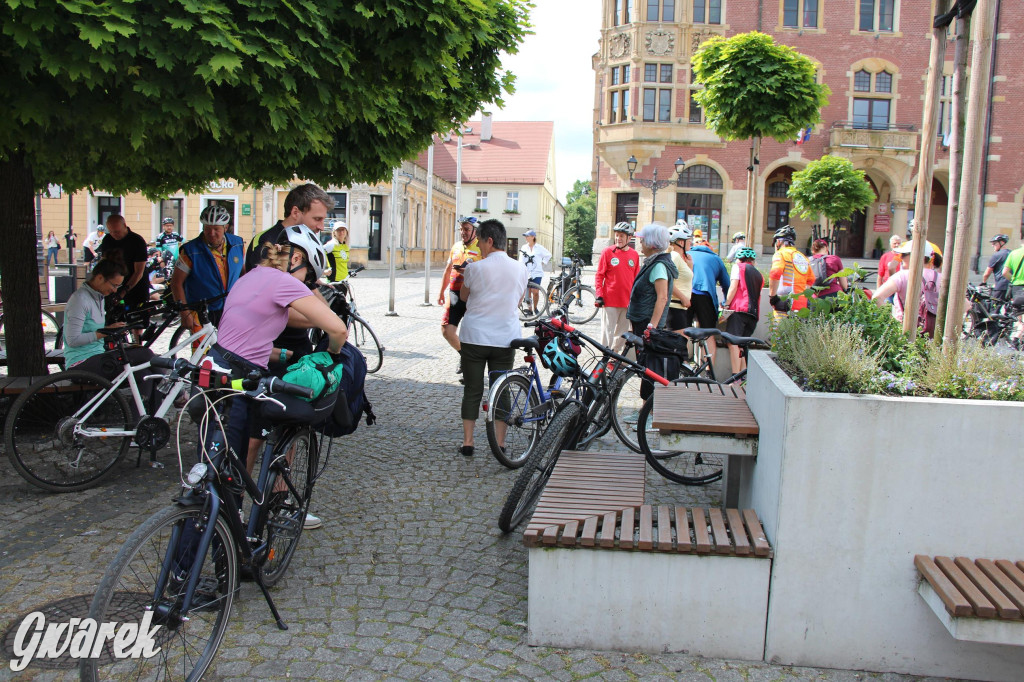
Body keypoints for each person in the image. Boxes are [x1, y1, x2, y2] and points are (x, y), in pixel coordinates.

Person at [212, 224, 346, 530]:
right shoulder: (284, 281)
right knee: (236, 460)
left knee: (224, 459)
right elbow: (337, 329)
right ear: (296, 257)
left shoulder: (253, 276)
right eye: (309, 276)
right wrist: (333, 355)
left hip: (217, 365)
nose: (308, 285)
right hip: (241, 376)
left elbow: (242, 335)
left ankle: (227, 523)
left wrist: (279, 355)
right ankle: (229, 539)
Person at [456, 219, 527, 457]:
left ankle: (468, 442)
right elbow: (518, 300)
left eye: (480, 243)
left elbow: (464, 297)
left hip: (475, 337)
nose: (480, 248)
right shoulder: (520, 268)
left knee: (473, 389)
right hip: (505, 339)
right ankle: (500, 443)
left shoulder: (475, 268)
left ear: (489, 240)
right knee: (503, 389)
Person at [245, 183, 334, 367]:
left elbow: (308, 285)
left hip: (299, 341)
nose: (321, 226)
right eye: (317, 219)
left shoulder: (301, 241)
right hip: (273, 347)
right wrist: (322, 320)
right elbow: (266, 305)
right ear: (296, 212)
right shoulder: (268, 243)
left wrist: (328, 315)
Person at [61, 257, 156, 390]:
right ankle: (176, 392)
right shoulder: (80, 300)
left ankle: (143, 411)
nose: (115, 290)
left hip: (97, 357)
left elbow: (90, 329)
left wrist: (109, 329)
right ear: (100, 278)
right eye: (114, 285)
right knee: (145, 354)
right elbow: (73, 340)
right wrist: (104, 333)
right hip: (80, 365)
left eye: (118, 286)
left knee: (145, 375)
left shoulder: (98, 297)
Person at [170, 204, 245, 330]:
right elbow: (176, 283)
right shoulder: (190, 251)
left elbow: (243, 274)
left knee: (230, 349)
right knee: (202, 349)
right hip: (199, 311)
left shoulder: (238, 244)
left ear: (225, 227)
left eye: (216, 229)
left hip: (230, 309)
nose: (211, 233)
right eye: (207, 228)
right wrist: (184, 312)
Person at [437, 216, 481, 371]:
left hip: (473, 295)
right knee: (446, 331)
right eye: (461, 229)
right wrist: (442, 291)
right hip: (454, 293)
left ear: (475, 231)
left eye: (467, 229)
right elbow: (448, 270)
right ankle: (464, 355)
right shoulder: (456, 246)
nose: (463, 232)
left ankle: (471, 365)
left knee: (471, 334)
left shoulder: (481, 247)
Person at [871, 240, 941, 336]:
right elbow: (965, 304)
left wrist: (892, 323)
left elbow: (877, 298)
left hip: (905, 332)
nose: (900, 258)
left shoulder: (902, 276)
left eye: (903, 255)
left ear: (915, 256)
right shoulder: (941, 278)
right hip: (935, 334)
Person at [595, 222, 640, 353]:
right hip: (610, 300)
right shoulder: (607, 252)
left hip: (627, 301)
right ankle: (604, 357)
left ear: (629, 238)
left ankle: (614, 357)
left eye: (621, 236)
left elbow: (636, 279)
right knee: (607, 331)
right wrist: (599, 294)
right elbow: (599, 275)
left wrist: (636, 299)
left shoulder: (634, 255)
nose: (618, 238)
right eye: (616, 235)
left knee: (622, 333)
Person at [626, 223, 678, 336]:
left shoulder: (658, 265)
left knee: (646, 353)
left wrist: (651, 327)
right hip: (642, 321)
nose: (640, 242)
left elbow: (662, 297)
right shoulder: (652, 262)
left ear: (652, 245)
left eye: (643, 240)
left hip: (646, 323)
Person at [688, 229, 730, 367]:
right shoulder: (716, 259)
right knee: (709, 332)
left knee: (683, 329)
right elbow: (727, 284)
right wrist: (724, 304)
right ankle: (708, 369)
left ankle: (681, 364)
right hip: (705, 295)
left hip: (686, 294)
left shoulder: (688, 254)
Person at [98, 214, 149, 323]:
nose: (113, 234)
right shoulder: (108, 239)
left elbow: (138, 272)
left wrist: (124, 291)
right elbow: (105, 264)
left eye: (116, 231)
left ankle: (137, 339)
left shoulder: (137, 241)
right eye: (111, 231)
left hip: (136, 286)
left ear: (125, 226)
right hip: (114, 286)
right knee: (113, 320)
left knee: (136, 323)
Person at [723, 247, 763, 375]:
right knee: (742, 346)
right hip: (754, 314)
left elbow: (734, 286)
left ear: (739, 259)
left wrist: (726, 305)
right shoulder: (758, 274)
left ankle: (735, 376)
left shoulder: (738, 267)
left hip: (739, 310)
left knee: (732, 342)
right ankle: (743, 376)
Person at [768, 225, 813, 319]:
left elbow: (775, 273)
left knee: (780, 332)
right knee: (796, 332)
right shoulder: (803, 257)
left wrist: (773, 297)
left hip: (784, 302)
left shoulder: (781, 254)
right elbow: (811, 280)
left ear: (779, 241)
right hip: (802, 304)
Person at [666, 223, 694, 341]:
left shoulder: (680, 258)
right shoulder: (674, 256)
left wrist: (689, 266)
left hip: (679, 307)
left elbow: (684, 280)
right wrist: (683, 297)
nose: (691, 243)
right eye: (689, 241)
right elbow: (667, 282)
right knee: (677, 346)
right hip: (675, 307)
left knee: (680, 345)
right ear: (681, 242)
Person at [520, 229, 551, 313]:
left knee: (535, 292)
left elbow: (548, 255)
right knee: (527, 293)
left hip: (537, 272)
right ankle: (529, 309)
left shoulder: (539, 248)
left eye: (527, 236)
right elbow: (521, 260)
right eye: (525, 236)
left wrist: (543, 263)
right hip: (526, 272)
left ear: (533, 237)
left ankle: (535, 307)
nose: (526, 238)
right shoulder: (524, 247)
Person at [981, 234, 1010, 301]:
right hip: (1012, 286)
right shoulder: (1012, 253)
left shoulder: (996, 255)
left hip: (1001, 285)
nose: (992, 245)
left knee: (995, 307)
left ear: (1002, 242)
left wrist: (984, 282)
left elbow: (987, 273)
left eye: (994, 243)